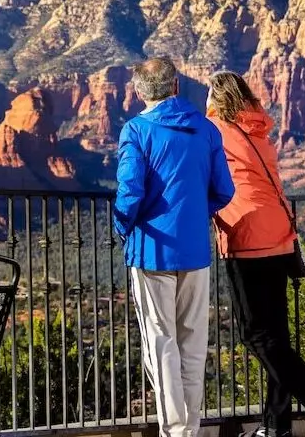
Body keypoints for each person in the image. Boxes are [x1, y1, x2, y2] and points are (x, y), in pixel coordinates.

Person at [206, 70, 305, 437]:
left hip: (247, 236)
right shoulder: (259, 130)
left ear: (216, 101)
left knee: (255, 334)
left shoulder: (215, 131)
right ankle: (276, 425)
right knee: (277, 336)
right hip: (279, 236)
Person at [114, 57, 235, 437]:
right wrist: (197, 213)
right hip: (196, 252)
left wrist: (122, 226)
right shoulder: (207, 129)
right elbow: (225, 190)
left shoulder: (136, 130)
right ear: (177, 86)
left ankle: (178, 432)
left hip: (151, 251)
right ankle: (190, 428)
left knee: (160, 344)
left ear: (138, 93)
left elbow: (130, 192)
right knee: (193, 343)